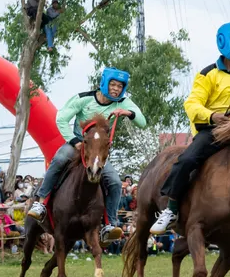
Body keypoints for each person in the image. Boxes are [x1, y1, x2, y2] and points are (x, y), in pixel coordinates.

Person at [149, 22, 230, 259]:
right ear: (225, 43)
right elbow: (192, 104)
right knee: (186, 160)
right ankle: (171, 210)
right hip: (214, 131)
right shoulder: (208, 73)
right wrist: (212, 115)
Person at [27, 68, 146, 240]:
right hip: (77, 144)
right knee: (59, 159)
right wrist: (74, 141)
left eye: (120, 86)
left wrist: (128, 112)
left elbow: (142, 122)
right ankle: (40, 204)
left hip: (98, 151)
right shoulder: (84, 99)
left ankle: (109, 225)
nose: (116, 89)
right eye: (112, 84)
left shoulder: (123, 102)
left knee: (113, 181)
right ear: (104, 83)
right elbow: (61, 118)